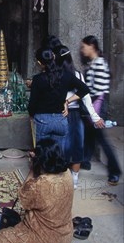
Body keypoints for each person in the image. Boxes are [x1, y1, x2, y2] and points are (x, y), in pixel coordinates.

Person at [0, 138, 74, 243]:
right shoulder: (68, 174)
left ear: (40, 160)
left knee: (2, 237)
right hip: (64, 242)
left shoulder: (40, 185)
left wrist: (32, 168)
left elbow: (22, 198)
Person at [55, 45, 105, 189]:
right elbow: (86, 98)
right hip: (75, 115)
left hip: (60, 114)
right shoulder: (77, 75)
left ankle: (62, 178)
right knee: (77, 146)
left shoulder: (55, 75)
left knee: (61, 147)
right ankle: (74, 178)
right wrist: (95, 117)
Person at [28, 47, 91, 148]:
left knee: (43, 154)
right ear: (53, 57)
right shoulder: (66, 75)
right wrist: (67, 101)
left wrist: (31, 115)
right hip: (60, 120)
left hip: (43, 121)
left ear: (40, 63)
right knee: (58, 155)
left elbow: (32, 104)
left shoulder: (37, 79)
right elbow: (85, 89)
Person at [80, 35, 122, 185]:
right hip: (92, 104)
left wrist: (91, 110)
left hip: (97, 105)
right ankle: (85, 160)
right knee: (90, 134)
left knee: (101, 139)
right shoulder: (92, 64)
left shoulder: (99, 64)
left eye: (84, 46)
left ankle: (115, 170)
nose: (82, 50)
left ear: (92, 46)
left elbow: (98, 92)